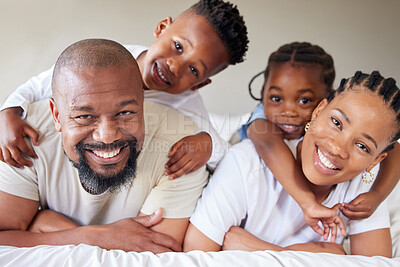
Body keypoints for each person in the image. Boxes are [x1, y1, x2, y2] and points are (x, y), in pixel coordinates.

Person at [0, 39, 209, 253]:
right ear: (56, 115)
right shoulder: (22, 137)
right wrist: (94, 237)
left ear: (142, 101)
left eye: (125, 113)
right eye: (84, 116)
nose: (107, 136)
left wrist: (48, 227)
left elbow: (156, 256)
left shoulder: (182, 151)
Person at [0, 0, 249, 178]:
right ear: (162, 28)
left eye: (194, 71)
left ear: (200, 85)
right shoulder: (107, 58)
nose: (175, 66)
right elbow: (37, 86)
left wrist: (207, 143)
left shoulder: (188, 106)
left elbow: (228, 158)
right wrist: (8, 112)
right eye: (178, 47)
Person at [184, 71, 399, 258]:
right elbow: (195, 255)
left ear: (376, 161)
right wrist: (326, 255)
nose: (337, 149)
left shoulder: (363, 189)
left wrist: (259, 249)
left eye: (362, 146)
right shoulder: (246, 162)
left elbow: (375, 263)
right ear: (318, 111)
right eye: (336, 122)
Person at [236, 42, 400, 224]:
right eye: (276, 98)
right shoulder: (261, 120)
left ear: (326, 100)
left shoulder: (325, 124)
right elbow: (268, 144)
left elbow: (394, 149)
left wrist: (376, 195)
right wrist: (308, 204)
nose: (288, 111)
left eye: (304, 100)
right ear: (263, 92)